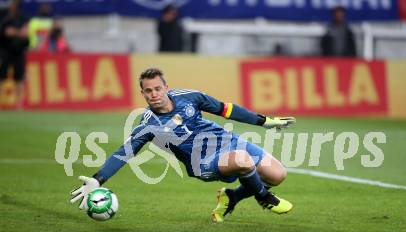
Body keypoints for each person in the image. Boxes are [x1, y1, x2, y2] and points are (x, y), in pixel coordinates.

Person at [70, 68, 296, 223]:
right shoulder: (147, 126)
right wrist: (98, 179)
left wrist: (264, 121)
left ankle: (233, 197)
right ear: (143, 94)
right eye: (148, 91)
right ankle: (264, 198)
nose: (154, 94)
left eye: (158, 88)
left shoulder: (190, 97)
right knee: (243, 161)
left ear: (166, 87)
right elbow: (123, 153)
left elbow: (226, 109)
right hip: (203, 162)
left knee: (278, 174)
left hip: (226, 140)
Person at [0, 0, 29, 109]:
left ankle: (19, 105)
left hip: (19, 53)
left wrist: (14, 32)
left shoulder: (23, 18)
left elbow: (25, 34)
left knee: (19, 79)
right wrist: (18, 32)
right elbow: (5, 33)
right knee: (1, 77)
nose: (13, 6)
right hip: (5, 52)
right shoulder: (4, 17)